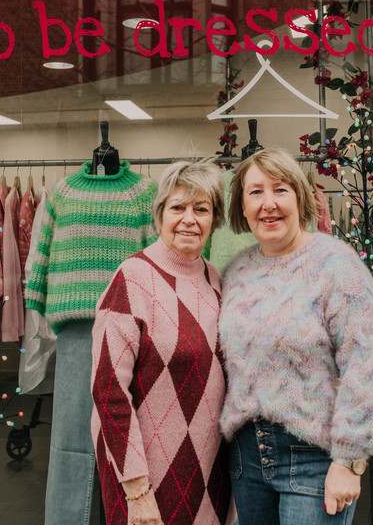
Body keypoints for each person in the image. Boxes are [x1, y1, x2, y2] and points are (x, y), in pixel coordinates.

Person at [217, 148, 373, 524]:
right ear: (242, 207)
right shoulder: (235, 272)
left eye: (280, 190)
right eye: (255, 192)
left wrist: (349, 460)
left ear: (299, 197)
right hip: (246, 459)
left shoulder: (336, 265)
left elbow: (368, 363)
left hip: (314, 456)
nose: (268, 203)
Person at [91, 160, 232, 525]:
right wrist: (137, 490)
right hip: (144, 481)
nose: (189, 219)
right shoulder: (132, 278)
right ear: (160, 215)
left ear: (215, 219)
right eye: (177, 207)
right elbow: (108, 391)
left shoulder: (216, 280)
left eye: (201, 209)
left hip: (210, 474)